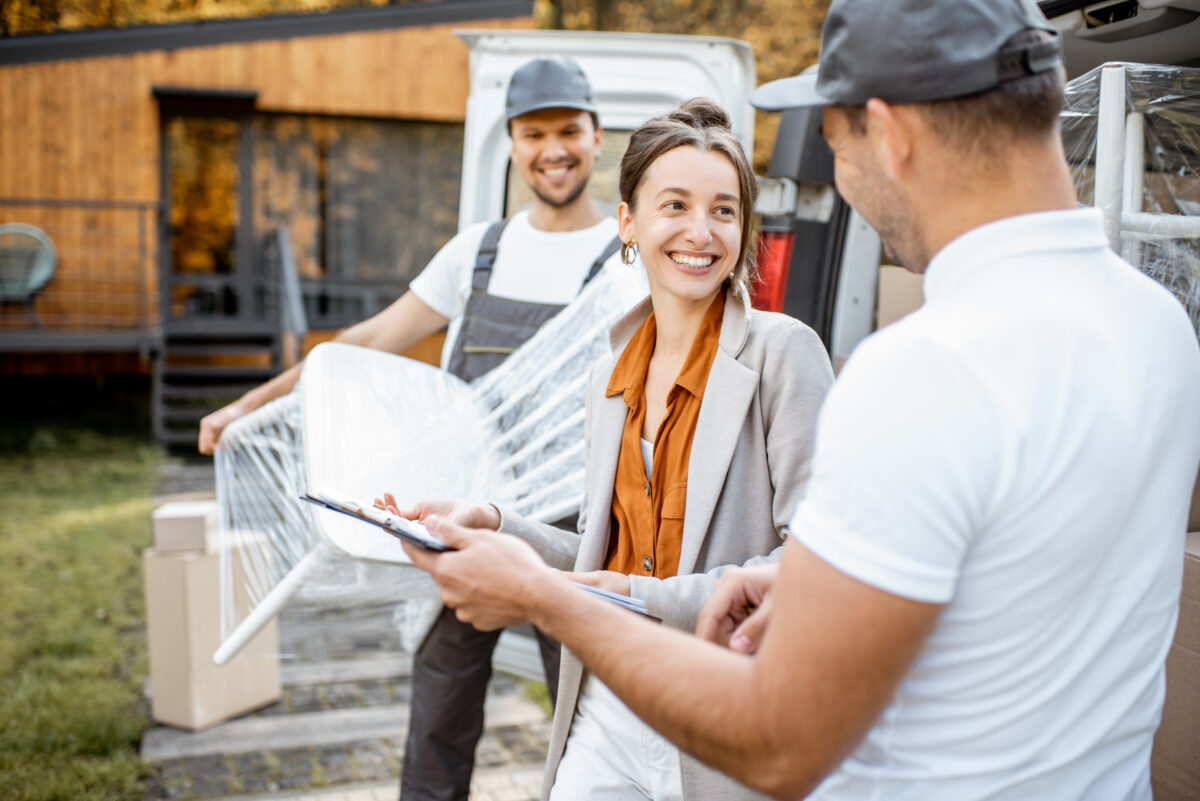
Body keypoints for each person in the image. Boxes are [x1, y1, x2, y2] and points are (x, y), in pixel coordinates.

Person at [399, 1, 1200, 799]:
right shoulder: (1159, 326)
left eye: (835, 141)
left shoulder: (921, 370)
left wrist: (545, 596)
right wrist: (811, 580)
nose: (842, 177)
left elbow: (782, 744)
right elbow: (1018, 567)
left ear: (890, 135)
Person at [200, 56, 630, 801]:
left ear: (597, 138)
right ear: (513, 143)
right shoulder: (479, 252)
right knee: (438, 714)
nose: (552, 149)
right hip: (461, 520)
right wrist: (251, 405)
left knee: (584, 718)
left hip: (572, 526)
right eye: (534, 134)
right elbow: (360, 346)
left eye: (568, 131)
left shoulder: (625, 264)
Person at [383, 99, 833, 800]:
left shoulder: (785, 356)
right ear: (628, 221)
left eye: (723, 210)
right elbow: (599, 556)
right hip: (609, 703)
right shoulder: (609, 376)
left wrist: (640, 596)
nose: (700, 231)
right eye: (674, 205)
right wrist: (499, 524)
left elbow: (815, 568)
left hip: (723, 717)